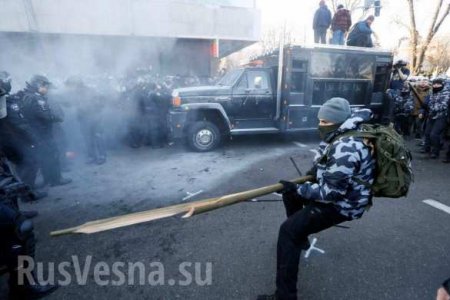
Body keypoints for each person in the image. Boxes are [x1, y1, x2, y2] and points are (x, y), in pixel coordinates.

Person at [257, 98, 375, 300]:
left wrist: (299, 187)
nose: (320, 125)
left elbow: (331, 193)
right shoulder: (340, 134)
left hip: (344, 205)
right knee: (290, 195)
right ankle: (300, 238)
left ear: (338, 122)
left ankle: (284, 297)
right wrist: (307, 177)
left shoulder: (347, 145)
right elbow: (325, 161)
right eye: (320, 120)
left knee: (287, 231)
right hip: (336, 193)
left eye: (325, 122)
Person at [20, 75, 72, 186]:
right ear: (38, 85)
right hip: (42, 132)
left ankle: (49, 180)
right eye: (45, 86)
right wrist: (56, 117)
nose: (47, 89)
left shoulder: (29, 96)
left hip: (38, 132)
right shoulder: (35, 98)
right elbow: (44, 115)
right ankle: (56, 179)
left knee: (46, 156)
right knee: (52, 155)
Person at [65, 76, 107, 165]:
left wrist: (94, 110)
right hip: (84, 119)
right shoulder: (75, 93)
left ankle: (102, 156)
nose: (71, 88)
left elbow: (101, 102)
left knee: (98, 137)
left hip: (95, 118)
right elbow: (72, 103)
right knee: (88, 139)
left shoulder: (91, 91)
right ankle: (91, 157)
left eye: (72, 85)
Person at [420, 78, 449, 159]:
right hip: (431, 116)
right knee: (427, 133)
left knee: (434, 134)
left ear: (442, 85)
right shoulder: (432, 93)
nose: (436, 85)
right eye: (434, 84)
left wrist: (430, 108)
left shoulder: (446, 94)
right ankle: (427, 148)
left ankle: (435, 152)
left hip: (441, 116)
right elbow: (430, 102)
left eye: (438, 84)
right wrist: (425, 107)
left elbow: (443, 105)